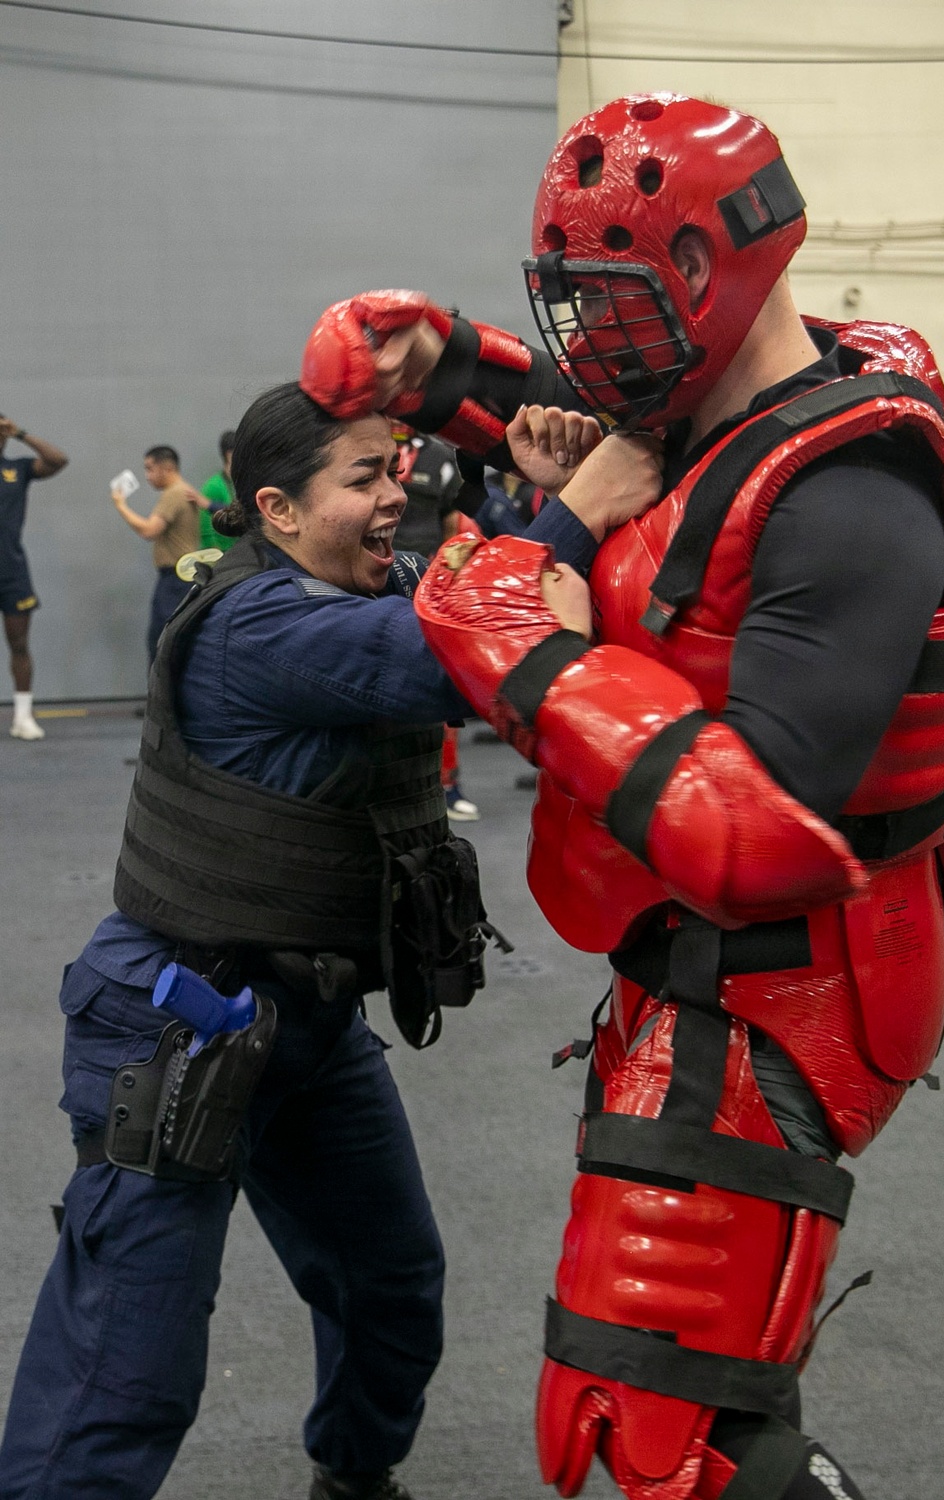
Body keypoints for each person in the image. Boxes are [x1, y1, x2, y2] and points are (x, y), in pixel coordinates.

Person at [297, 92, 944, 1500]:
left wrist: (528, 642)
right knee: (701, 1391)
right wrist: (441, 371)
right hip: (692, 970)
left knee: (660, 1427)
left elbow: (757, 828)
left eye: (618, 302)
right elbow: (627, 456)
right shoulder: (715, 402)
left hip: (785, 985)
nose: (589, 343)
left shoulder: (852, 490)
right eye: (571, 307)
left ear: (707, 272)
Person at [0, 382, 654, 1500]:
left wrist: (533, 501)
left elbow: (467, 596)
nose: (394, 494)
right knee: (127, 1365)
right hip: (179, 1021)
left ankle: (356, 1480)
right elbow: (466, 652)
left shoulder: (376, 582)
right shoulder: (262, 624)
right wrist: (582, 510)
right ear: (278, 509)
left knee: (389, 1285)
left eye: (395, 470)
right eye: (364, 479)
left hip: (306, 1022)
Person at [389, 423, 478, 819]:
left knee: (441, 680)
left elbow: (452, 522)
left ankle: (447, 784)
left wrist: (442, 580)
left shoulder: (440, 457)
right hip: (370, 579)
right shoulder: (357, 441)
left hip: (425, 583)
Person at [0, 414, 68, 739]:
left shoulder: (18, 469)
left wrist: (20, 433)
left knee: (19, 644)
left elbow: (58, 460)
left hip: (11, 570)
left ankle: (23, 717)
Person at [111, 445, 203, 663]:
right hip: (179, 577)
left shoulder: (174, 493)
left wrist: (120, 504)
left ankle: (164, 697)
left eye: (150, 468)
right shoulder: (181, 491)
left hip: (176, 579)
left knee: (161, 644)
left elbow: (149, 530)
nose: (147, 475)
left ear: (166, 468)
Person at [199, 428, 239, 554]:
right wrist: (214, 552)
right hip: (223, 553)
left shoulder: (246, 479)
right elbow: (206, 529)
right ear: (228, 454)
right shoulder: (213, 486)